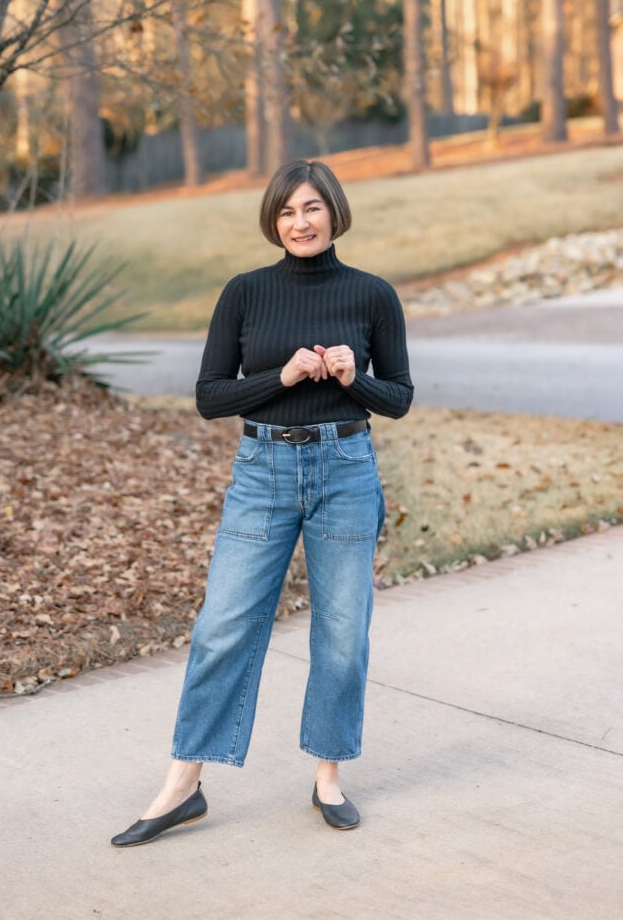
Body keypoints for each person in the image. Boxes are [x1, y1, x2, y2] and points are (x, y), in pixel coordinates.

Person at [111, 159, 413, 847]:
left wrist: (351, 376)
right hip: (262, 470)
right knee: (222, 625)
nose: (299, 222)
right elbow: (209, 395)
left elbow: (398, 397)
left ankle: (328, 776)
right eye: (285, 212)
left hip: (345, 467)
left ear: (333, 211)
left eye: (310, 208)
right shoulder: (244, 293)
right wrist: (280, 376)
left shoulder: (372, 295)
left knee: (341, 633)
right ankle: (182, 783)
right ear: (272, 221)